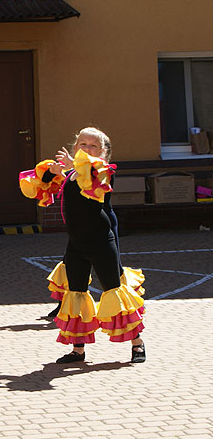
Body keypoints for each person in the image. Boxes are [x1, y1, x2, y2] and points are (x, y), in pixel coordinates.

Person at [20, 127, 146, 363]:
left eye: (93, 146)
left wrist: (72, 166)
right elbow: (41, 186)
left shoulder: (103, 171)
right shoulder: (71, 172)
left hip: (100, 240)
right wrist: (51, 172)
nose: (86, 149)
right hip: (76, 243)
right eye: (82, 144)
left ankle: (137, 344)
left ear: (104, 152)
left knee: (114, 290)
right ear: (74, 146)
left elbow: (92, 184)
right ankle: (78, 350)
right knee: (75, 294)